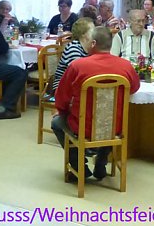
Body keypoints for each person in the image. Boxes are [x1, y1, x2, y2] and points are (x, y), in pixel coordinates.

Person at [52, 26, 140, 180]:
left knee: (56, 123)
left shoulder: (78, 66)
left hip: (83, 126)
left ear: (93, 43)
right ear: (110, 44)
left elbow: (62, 97)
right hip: (115, 127)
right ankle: (101, 161)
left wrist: (63, 111)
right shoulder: (125, 66)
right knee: (107, 119)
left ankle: (79, 166)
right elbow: (134, 88)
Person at [53, 18, 95, 91]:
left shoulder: (90, 48)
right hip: (63, 88)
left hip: (78, 84)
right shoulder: (73, 48)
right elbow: (79, 73)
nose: (96, 33)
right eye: (93, 30)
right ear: (83, 34)